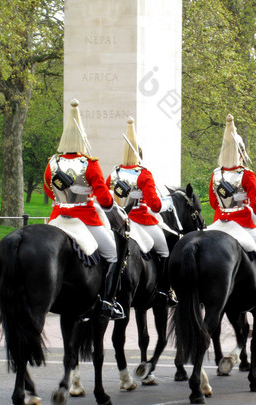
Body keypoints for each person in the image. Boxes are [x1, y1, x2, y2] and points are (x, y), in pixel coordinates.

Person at [44, 99, 125, 320]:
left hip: (57, 217)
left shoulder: (52, 163)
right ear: (83, 139)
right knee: (112, 253)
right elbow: (104, 198)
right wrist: (107, 204)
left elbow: (49, 190)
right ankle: (107, 301)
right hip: (85, 218)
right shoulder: (90, 164)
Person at [209, 114, 256, 311]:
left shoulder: (216, 174)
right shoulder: (246, 175)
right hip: (242, 224)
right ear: (241, 151)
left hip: (219, 222)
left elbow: (215, 203)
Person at [107, 117, 178, 306]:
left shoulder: (114, 173)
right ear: (139, 155)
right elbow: (155, 205)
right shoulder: (144, 174)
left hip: (117, 219)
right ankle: (165, 290)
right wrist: (167, 204)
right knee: (165, 249)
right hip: (140, 220)